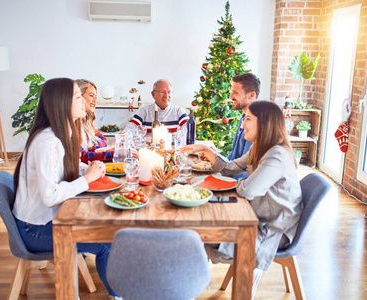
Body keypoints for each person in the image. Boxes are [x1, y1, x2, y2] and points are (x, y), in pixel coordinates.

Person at [181, 100, 303, 299]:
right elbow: (231, 168)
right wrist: (206, 151)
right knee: (205, 224)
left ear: (264, 124)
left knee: (206, 230)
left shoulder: (276, 155)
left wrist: (233, 185)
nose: (242, 124)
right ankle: (191, 282)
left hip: (273, 228)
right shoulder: (259, 147)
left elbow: (248, 190)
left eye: (247, 119)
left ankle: (197, 283)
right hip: (258, 214)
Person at [12, 78, 120, 299]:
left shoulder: (60, 134)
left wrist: (86, 169)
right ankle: (118, 295)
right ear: (62, 103)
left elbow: (61, 168)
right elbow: (50, 196)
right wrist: (87, 179)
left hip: (46, 220)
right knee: (107, 241)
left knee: (106, 227)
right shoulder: (47, 142)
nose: (84, 101)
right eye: (78, 97)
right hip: (35, 229)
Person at [124, 79, 189, 138]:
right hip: (149, 150)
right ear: (153, 94)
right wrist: (124, 136)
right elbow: (130, 128)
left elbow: (188, 130)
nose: (166, 96)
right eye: (162, 92)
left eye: (169, 92)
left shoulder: (179, 111)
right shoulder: (144, 111)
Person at [228, 73, 261, 179]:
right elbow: (234, 156)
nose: (230, 97)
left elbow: (245, 166)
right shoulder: (243, 118)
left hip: (244, 185)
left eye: (235, 93)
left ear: (251, 95)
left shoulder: (257, 125)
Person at [76, 79, 114, 163]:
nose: (94, 100)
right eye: (91, 95)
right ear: (79, 96)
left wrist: (94, 148)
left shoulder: (86, 122)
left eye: (96, 97)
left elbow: (103, 139)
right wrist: (116, 154)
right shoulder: (72, 124)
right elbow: (83, 156)